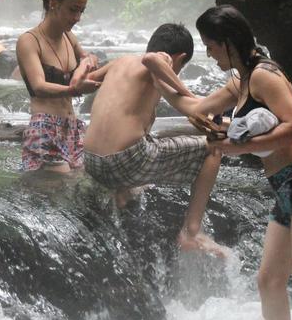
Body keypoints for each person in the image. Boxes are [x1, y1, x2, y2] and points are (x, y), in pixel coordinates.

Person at [148, 5, 292, 320]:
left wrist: (238, 145)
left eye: (211, 46)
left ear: (229, 43)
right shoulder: (241, 81)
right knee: (269, 281)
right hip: (285, 190)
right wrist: (155, 75)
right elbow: (196, 107)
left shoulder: (264, 76)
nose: (209, 53)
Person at [82, 23, 226, 257]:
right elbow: (152, 59)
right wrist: (188, 95)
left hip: (92, 162)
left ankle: (122, 193)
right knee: (215, 148)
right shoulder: (161, 59)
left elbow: (87, 80)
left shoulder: (120, 62)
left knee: (145, 129)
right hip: (125, 161)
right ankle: (192, 231)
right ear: (180, 58)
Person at [16, 0, 99, 173]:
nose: (77, 18)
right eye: (73, 10)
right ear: (53, 3)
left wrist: (90, 61)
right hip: (44, 130)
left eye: (81, 11)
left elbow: (87, 56)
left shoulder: (69, 36)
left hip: (73, 128)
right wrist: (74, 89)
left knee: (85, 185)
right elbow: (38, 86)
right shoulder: (29, 41)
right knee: (65, 188)